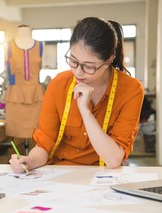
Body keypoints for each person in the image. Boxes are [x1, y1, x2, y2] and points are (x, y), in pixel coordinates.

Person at [9, 17, 144, 173]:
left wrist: (86, 112)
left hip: (103, 175)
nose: (78, 72)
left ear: (109, 60)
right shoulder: (59, 84)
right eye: (73, 61)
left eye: (89, 66)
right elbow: (44, 145)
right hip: (59, 173)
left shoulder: (131, 90)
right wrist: (30, 162)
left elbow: (113, 160)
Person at [4, 24, 44, 139]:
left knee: (38, 135)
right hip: (15, 99)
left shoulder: (40, 45)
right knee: (16, 139)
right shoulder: (8, 46)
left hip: (36, 99)